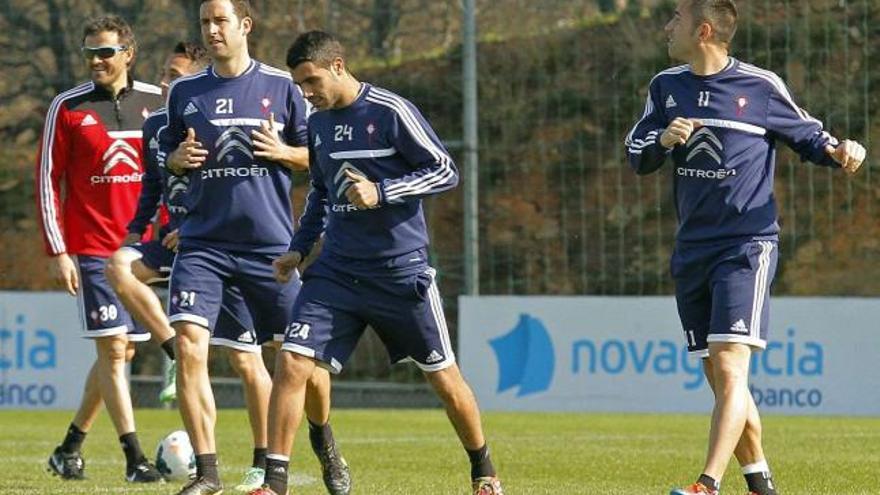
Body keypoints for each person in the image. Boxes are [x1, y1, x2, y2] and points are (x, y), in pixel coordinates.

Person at [624, 1, 866, 494]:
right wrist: (663, 141)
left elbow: (811, 136)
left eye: (677, 20)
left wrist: (843, 151)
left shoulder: (760, 86)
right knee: (720, 377)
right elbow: (636, 153)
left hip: (746, 245)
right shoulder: (665, 87)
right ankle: (761, 486)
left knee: (732, 364)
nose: (668, 27)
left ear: (704, 30)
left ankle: (706, 485)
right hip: (691, 249)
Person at [250, 31, 504, 495]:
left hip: (399, 273)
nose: (306, 94)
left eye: (311, 81)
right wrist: (298, 248)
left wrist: (382, 191)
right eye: (300, 86)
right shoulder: (320, 124)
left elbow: (445, 169)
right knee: (292, 363)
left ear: (339, 66)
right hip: (337, 274)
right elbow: (322, 194)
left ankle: (483, 471)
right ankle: (275, 482)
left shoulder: (390, 111)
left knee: (444, 379)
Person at [158, 3, 350, 494]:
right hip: (203, 245)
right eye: (205, 22)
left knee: (303, 365)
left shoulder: (282, 87)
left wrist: (285, 152)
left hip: (269, 249)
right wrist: (176, 159)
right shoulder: (184, 90)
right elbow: (167, 160)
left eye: (221, 21)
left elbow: (321, 154)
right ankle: (207, 473)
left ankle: (323, 439)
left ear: (245, 26)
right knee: (188, 346)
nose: (212, 30)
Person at [36, 15, 164, 483]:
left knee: (124, 354)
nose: (96, 60)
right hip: (91, 248)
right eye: (90, 51)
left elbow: (174, 173)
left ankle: (69, 447)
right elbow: (47, 180)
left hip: (143, 252)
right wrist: (58, 249)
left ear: (128, 54)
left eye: (106, 51)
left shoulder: (159, 101)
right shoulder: (66, 107)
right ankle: (135, 458)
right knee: (113, 351)